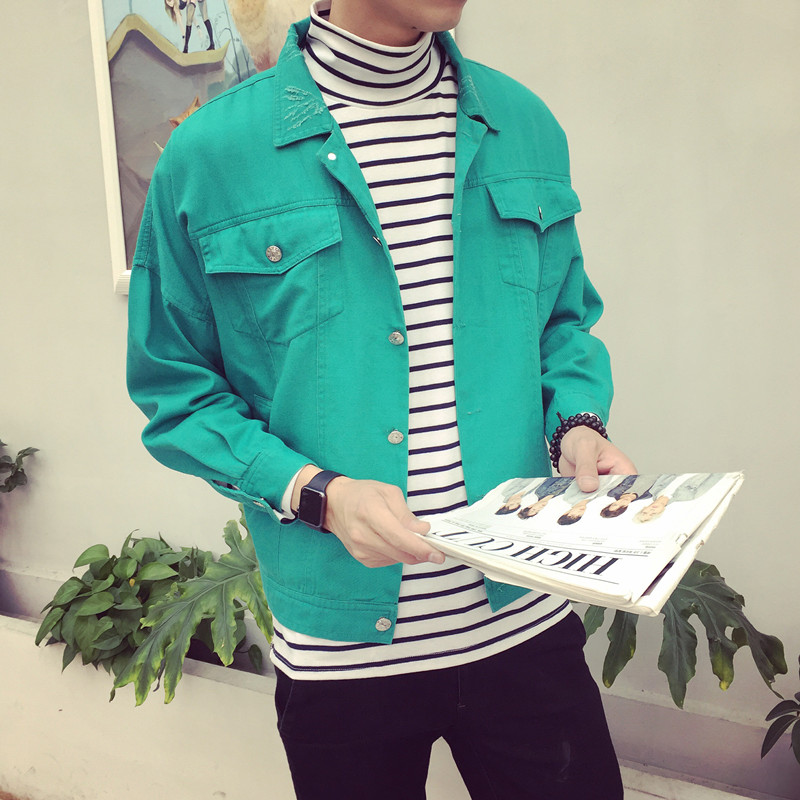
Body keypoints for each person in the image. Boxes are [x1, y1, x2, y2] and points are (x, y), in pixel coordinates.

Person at [127, 1, 637, 797]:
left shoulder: (525, 125)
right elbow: (177, 389)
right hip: (342, 664)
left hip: (525, 629)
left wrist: (576, 426)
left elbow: (562, 324)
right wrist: (317, 493)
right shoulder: (211, 154)